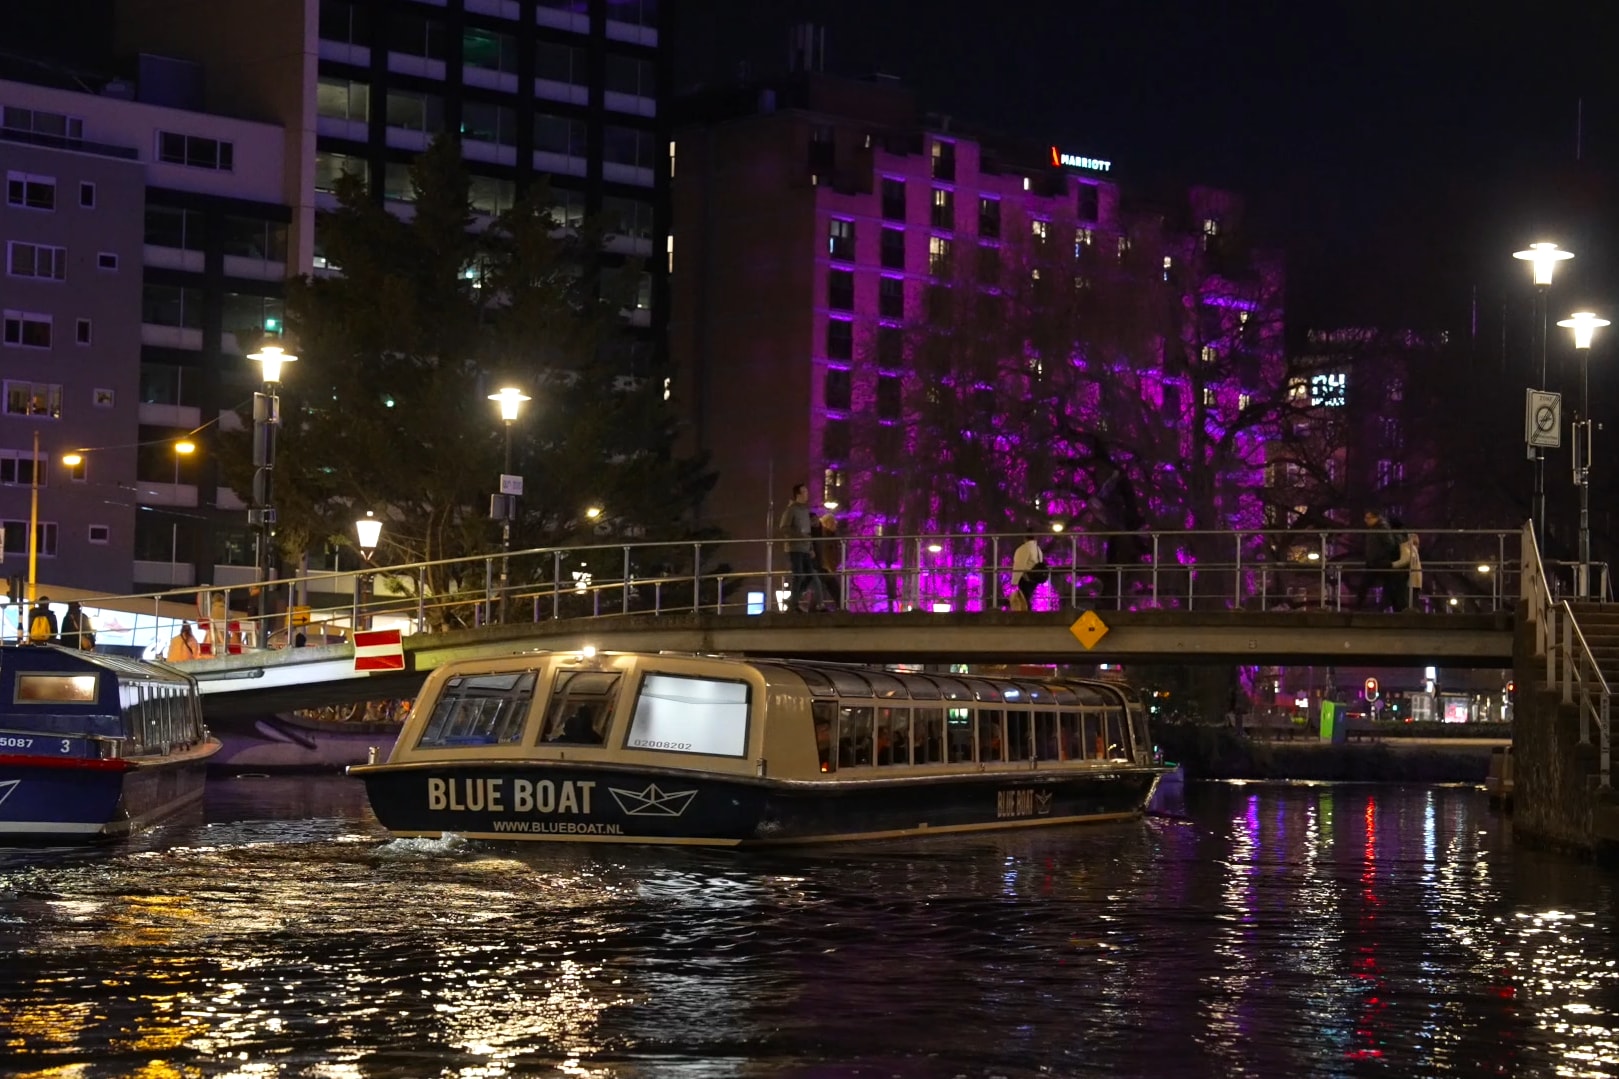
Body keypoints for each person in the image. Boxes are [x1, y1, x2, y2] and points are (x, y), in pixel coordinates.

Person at [777, 482, 823, 612]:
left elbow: (807, 531)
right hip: (795, 548)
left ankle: (793, 600)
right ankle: (793, 605)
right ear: (798, 494)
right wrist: (799, 535)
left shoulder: (804, 510)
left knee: (809, 575)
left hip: (805, 548)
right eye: (804, 492)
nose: (807, 494)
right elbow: (784, 528)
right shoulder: (791, 510)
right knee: (798, 575)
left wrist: (810, 548)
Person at [1352, 509, 1400, 610]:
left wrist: (1379, 556)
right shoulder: (1375, 528)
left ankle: (1358, 607)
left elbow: (1390, 545)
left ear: (1376, 518)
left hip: (1379, 562)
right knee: (1387, 586)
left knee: (1369, 585)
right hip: (1375, 562)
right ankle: (1358, 607)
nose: (1366, 520)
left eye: (1368, 518)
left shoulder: (1382, 528)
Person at [812, 508, 841, 610]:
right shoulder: (825, 535)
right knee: (833, 588)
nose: (835, 525)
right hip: (824, 566)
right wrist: (828, 566)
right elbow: (824, 551)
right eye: (834, 523)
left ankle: (814, 608)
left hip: (825, 566)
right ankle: (840, 606)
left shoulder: (829, 535)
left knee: (821, 588)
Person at [1391, 521, 1423, 613]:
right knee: (1413, 601)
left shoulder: (1405, 545)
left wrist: (1391, 565)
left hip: (1409, 578)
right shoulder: (1414, 548)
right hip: (1415, 578)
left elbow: (1406, 559)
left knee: (1405, 599)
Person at [1010, 535, 1046, 612]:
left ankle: (1026, 612)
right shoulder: (1038, 549)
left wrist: (1014, 581)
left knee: (1024, 596)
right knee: (1028, 595)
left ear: (1025, 538)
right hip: (1035, 577)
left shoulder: (1023, 549)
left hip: (1026, 577)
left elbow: (1019, 565)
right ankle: (1028, 611)